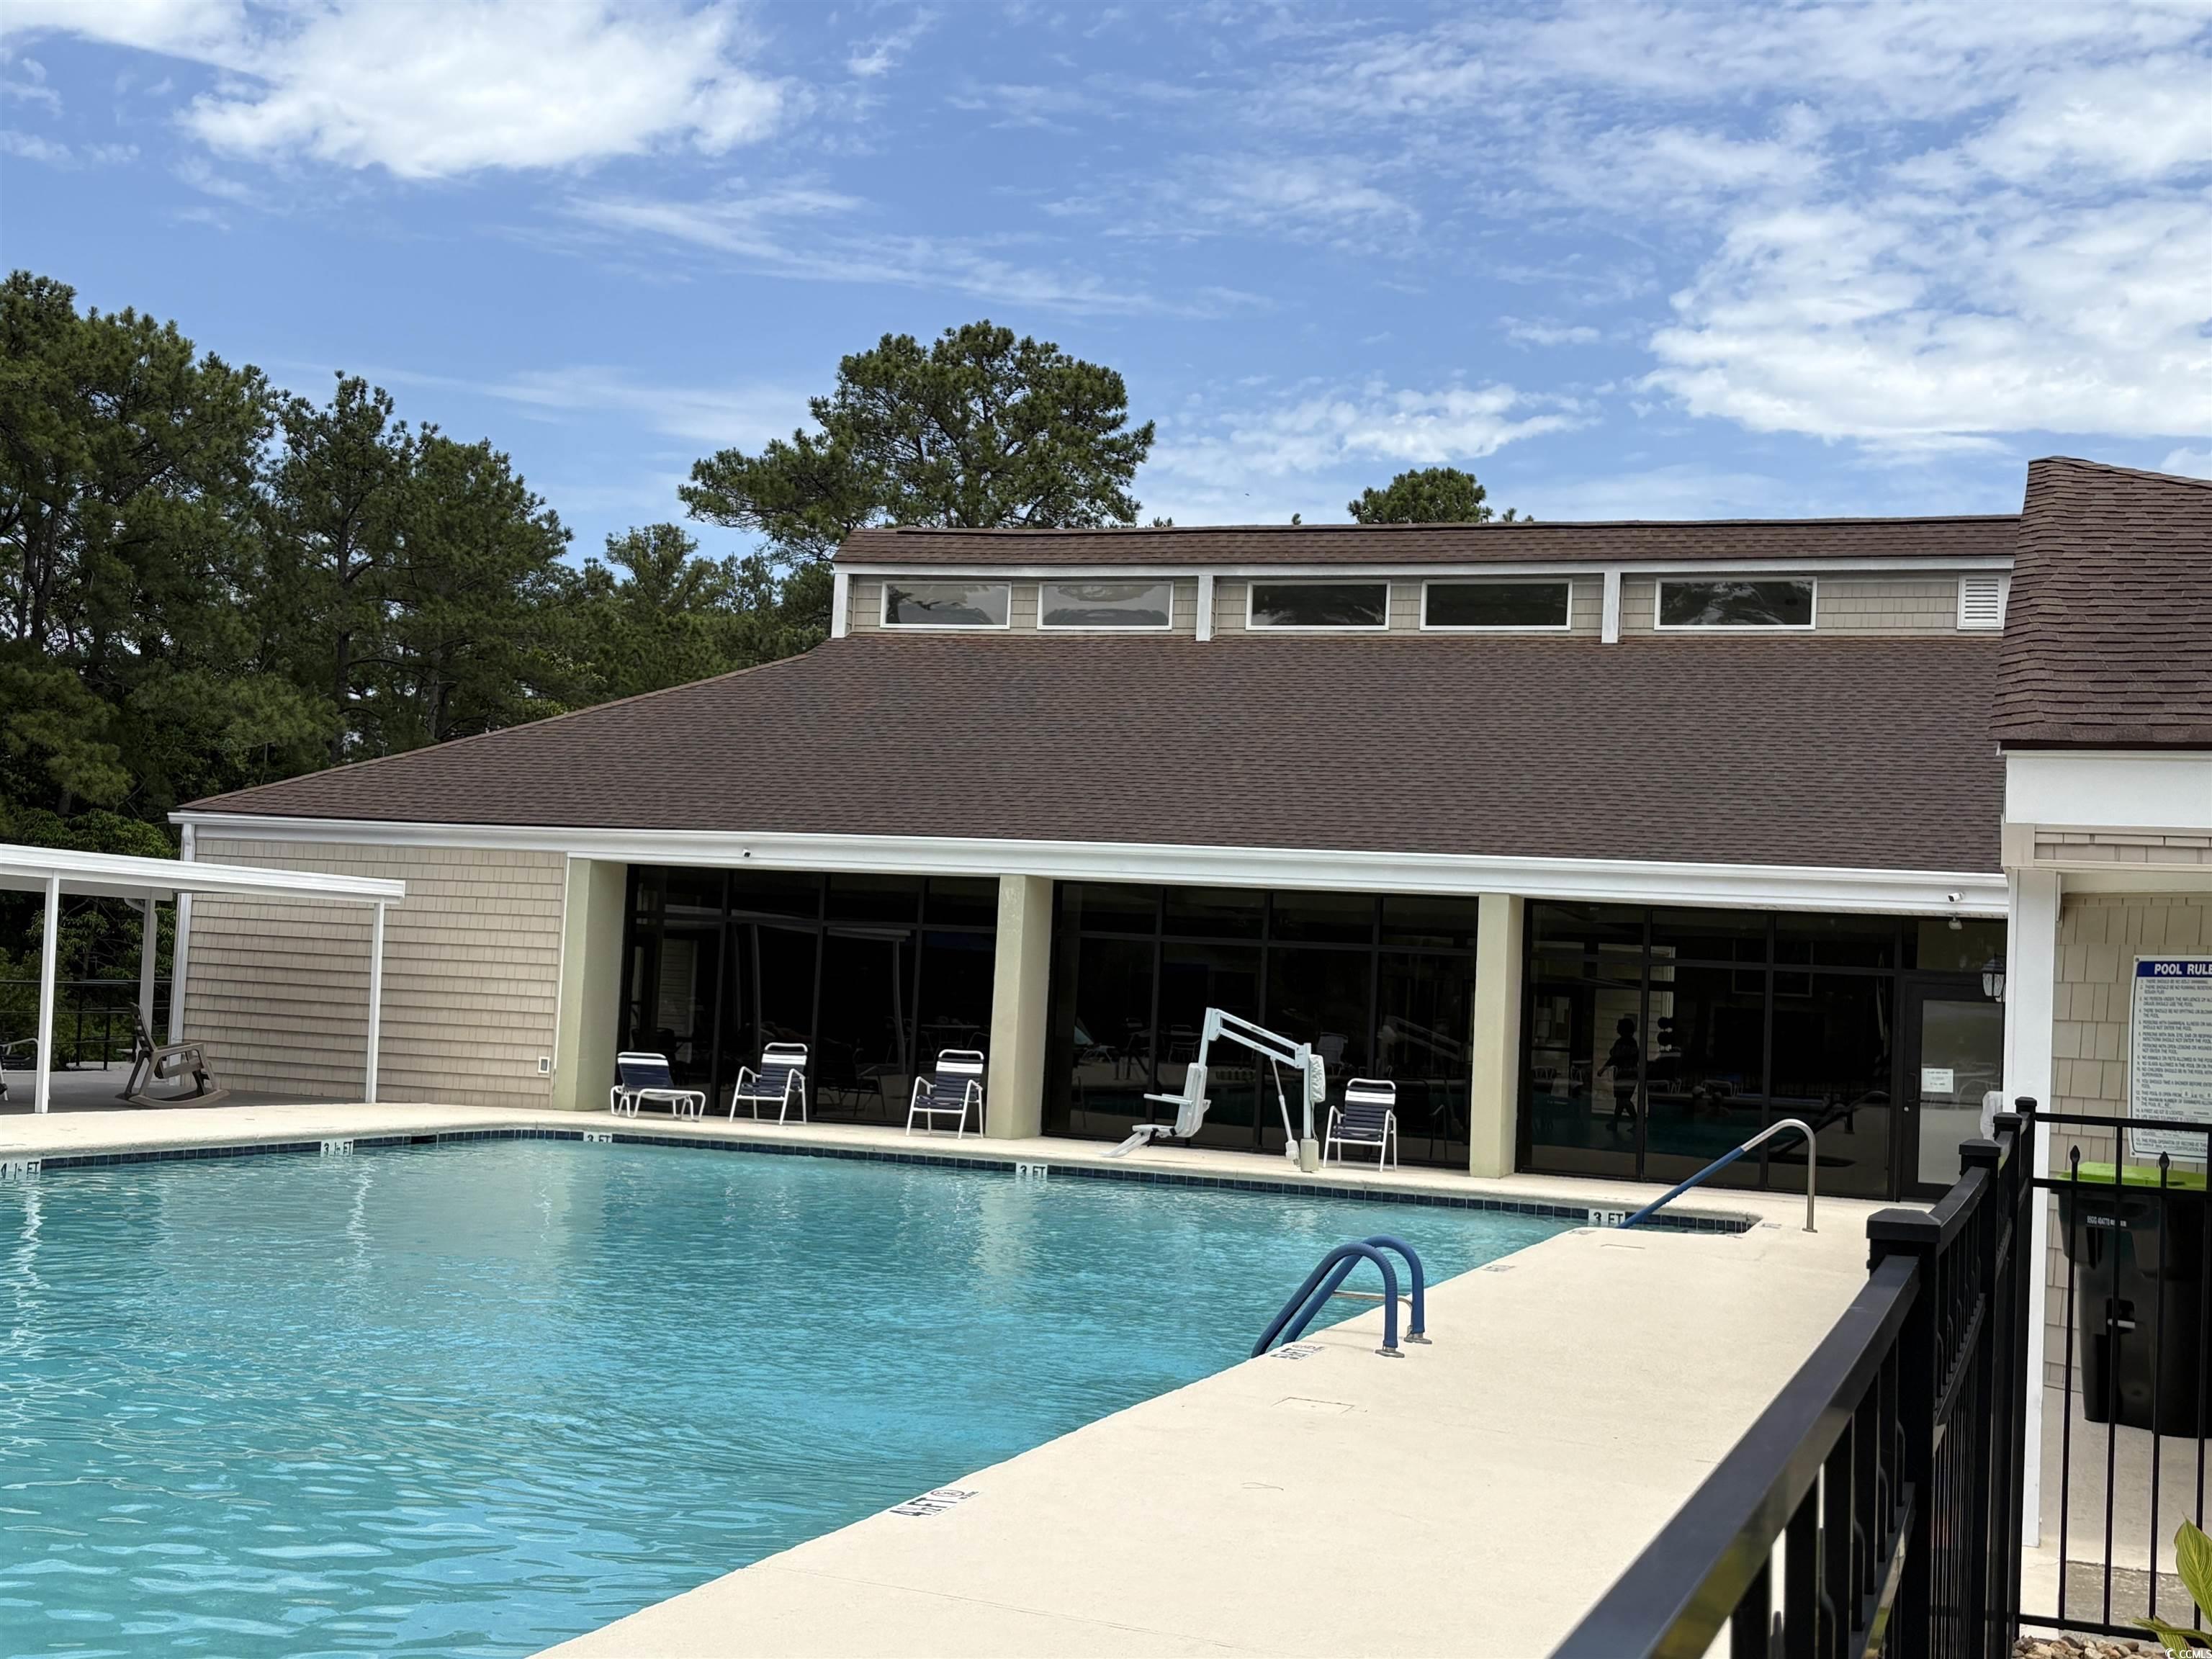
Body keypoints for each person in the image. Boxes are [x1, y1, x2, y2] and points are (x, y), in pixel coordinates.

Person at [1598, 1015, 1640, 1134]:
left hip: (1624, 1075)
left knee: (1624, 1100)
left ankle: (1636, 1122)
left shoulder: (1622, 1043)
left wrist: (1603, 1069)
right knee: (1621, 1100)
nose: (1617, 1028)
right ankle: (1615, 1122)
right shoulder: (1633, 1043)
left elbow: (1614, 1057)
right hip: (1630, 1074)